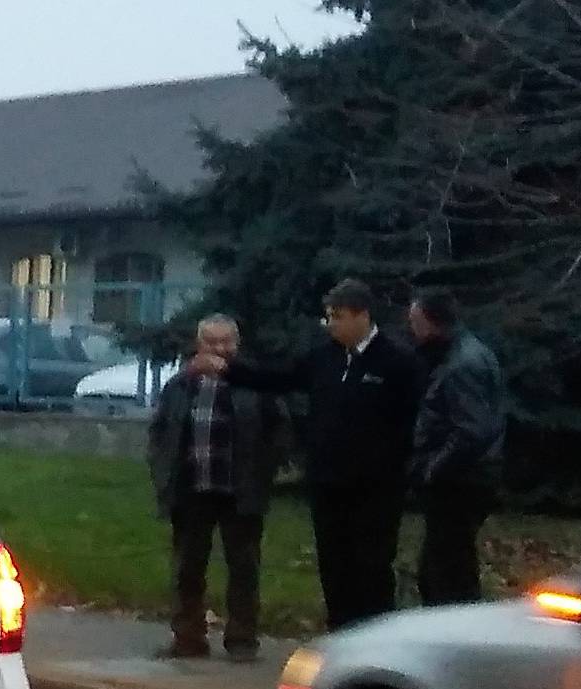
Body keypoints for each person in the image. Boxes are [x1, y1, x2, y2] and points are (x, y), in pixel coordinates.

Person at [197, 276, 421, 631]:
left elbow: (411, 421)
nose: (331, 324)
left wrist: (397, 467)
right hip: (328, 481)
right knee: (334, 564)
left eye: (338, 316)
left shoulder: (396, 361)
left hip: (376, 487)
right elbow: (280, 377)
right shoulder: (324, 357)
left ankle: (376, 636)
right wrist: (231, 369)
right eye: (328, 317)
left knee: (372, 565)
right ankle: (340, 631)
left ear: (361, 316)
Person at [147, 313, 289, 660]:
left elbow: (280, 430)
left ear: (237, 345)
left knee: (244, 567)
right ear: (199, 345)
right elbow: (160, 432)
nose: (220, 349)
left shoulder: (252, 383)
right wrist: (163, 474)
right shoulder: (181, 385)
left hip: (240, 489)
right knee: (187, 567)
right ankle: (188, 638)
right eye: (212, 342)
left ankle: (242, 639)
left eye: (227, 342)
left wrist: (264, 470)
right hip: (191, 487)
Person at [407, 288, 506, 607]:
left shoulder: (461, 365)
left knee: (446, 573)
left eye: (415, 321)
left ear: (431, 322)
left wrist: (433, 468)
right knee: (447, 567)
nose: (412, 330)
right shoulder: (463, 355)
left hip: (460, 483)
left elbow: (472, 431)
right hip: (464, 479)